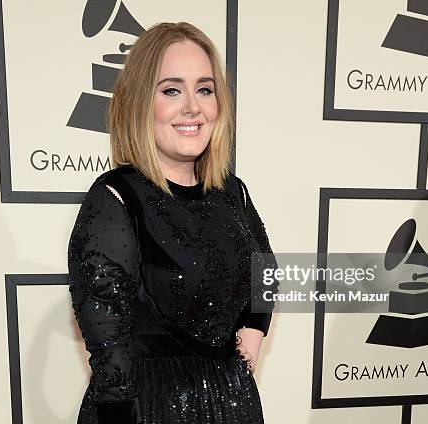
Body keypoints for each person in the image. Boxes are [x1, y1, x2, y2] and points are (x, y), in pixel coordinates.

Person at [68, 22, 278, 424]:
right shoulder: (115, 197)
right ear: (140, 102)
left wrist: (254, 328)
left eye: (204, 89)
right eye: (171, 90)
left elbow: (264, 267)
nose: (192, 107)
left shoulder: (233, 192)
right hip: (150, 407)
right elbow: (107, 334)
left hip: (232, 403)